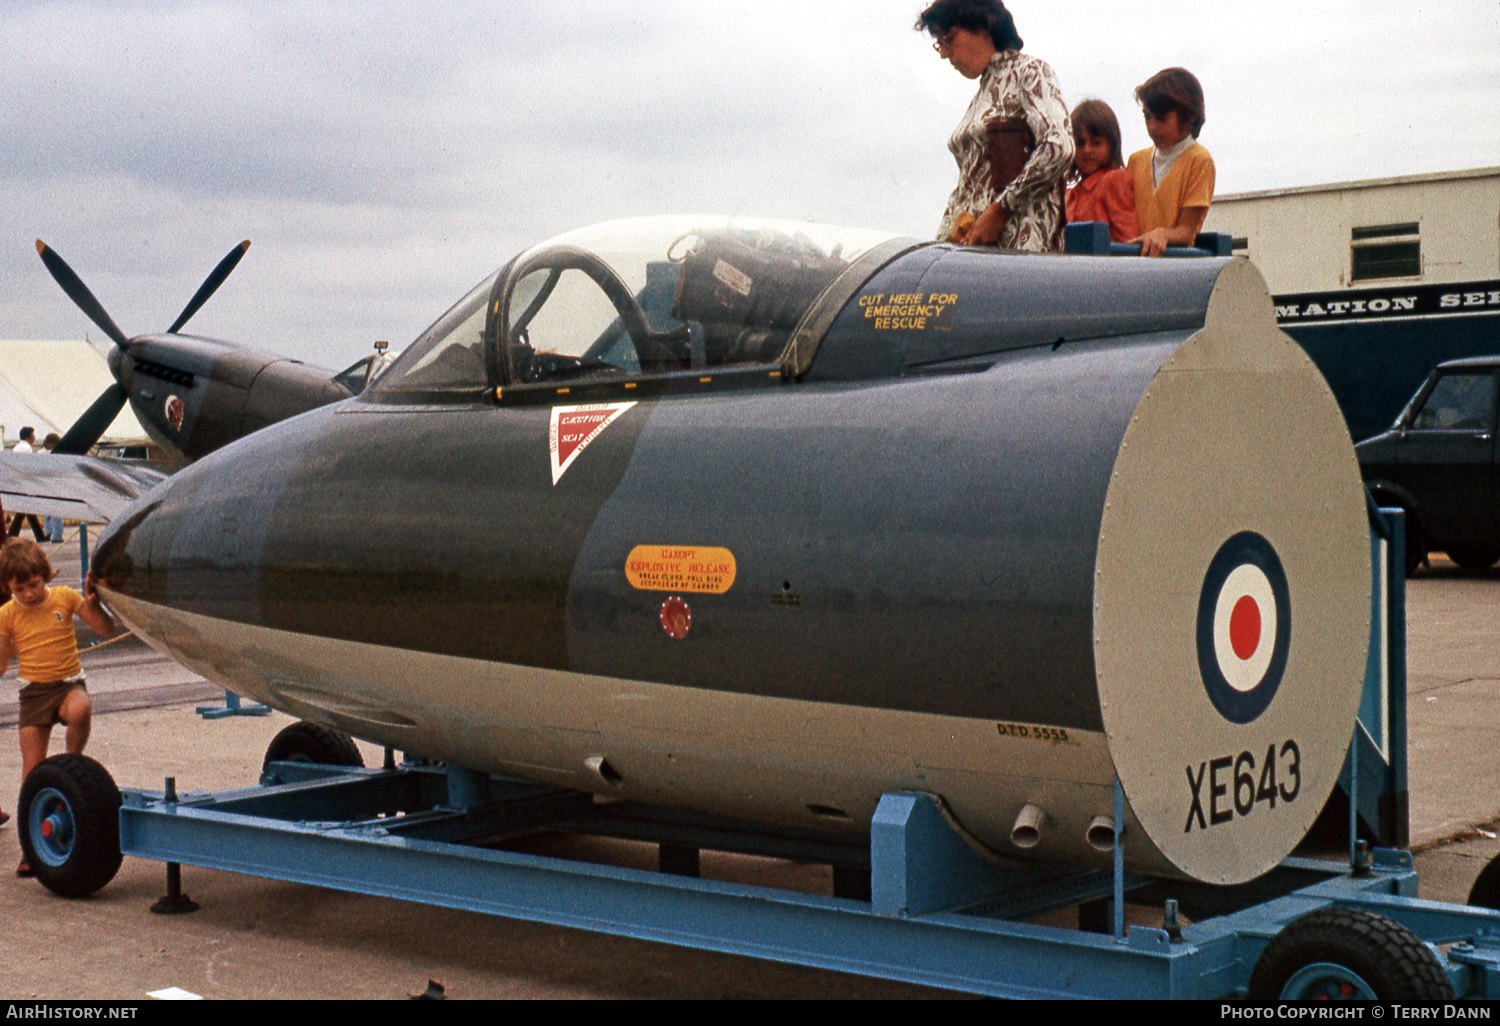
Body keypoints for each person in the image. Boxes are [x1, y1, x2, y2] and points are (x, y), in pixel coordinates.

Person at [0, 538, 117, 876]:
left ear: (45, 576)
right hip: (33, 694)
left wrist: (95, 604)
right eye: (19, 589)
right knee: (32, 770)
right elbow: (2, 666)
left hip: (67, 685)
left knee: (80, 709)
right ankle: (29, 847)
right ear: (8, 588)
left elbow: (106, 629)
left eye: (33, 584)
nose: (29, 594)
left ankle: (72, 761)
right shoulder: (8, 614)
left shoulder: (65, 598)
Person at [918, 0, 1074, 252]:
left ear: (983, 26)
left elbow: (1059, 147)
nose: (944, 53)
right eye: (939, 43)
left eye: (948, 38)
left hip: (1019, 257)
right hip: (976, 255)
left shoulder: (1030, 72)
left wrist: (1001, 209)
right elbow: (967, 189)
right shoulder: (982, 94)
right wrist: (938, 250)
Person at [1126, 68, 1215, 258]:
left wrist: (1163, 234)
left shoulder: (1199, 160)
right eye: (1147, 117)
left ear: (1190, 116)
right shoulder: (1135, 161)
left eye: (1162, 119)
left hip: (1174, 269)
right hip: (1134, 267)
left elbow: (1186, 231)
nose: (1152, 127)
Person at [1065, 99, 1139, 244]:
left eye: (1096, 143)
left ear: (1112, 145)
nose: (1087, 150)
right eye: (1079, 143)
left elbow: (1130, 240)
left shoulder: (1114, 180)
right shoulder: (1071, 195)